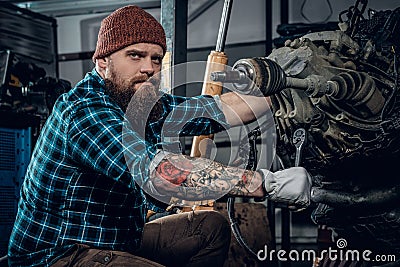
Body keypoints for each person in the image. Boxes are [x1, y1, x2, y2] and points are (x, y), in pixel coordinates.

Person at [8, 5, 312, 267]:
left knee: (210, 227)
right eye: (135, 56)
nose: (148, 68)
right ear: (102, 61)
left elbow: (214, 111)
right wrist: (264, 183)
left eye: (156, 59)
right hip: (60, 255)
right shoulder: (84, 111)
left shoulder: (142, 100)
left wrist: (290, 98)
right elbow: (160, 174)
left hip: (118, 239)